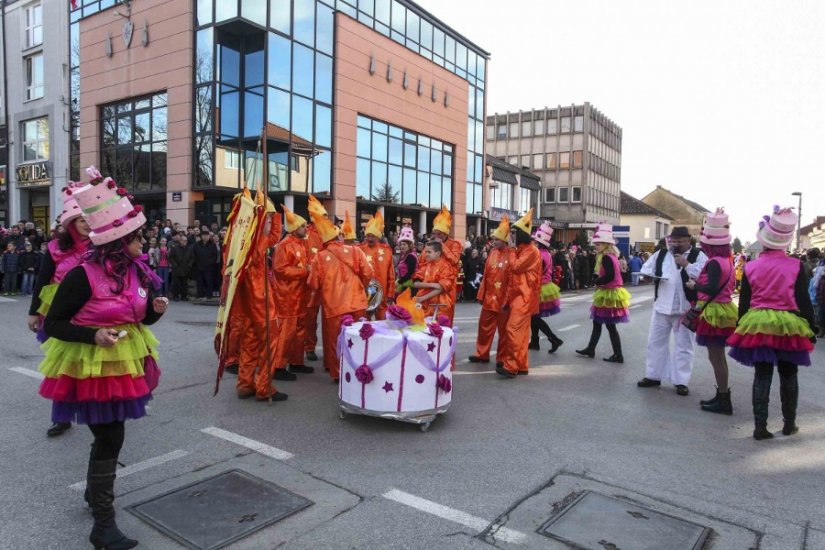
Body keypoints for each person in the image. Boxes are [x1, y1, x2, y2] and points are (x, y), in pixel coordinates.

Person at [38, 175, 167, 549]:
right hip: (92, 368)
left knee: (109, 437)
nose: (144, 243)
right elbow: (55, 323)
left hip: (124, 363)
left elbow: (138, 317)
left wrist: (154, 312)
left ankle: (95, 498)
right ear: (117, 241)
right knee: (111, 437)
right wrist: (92, 334)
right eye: (138, 238)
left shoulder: (134, 270)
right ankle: (103, 525)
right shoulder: (81, 274)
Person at [728, 206, 817, 440]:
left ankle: (760, 427)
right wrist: (811, 326)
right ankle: (789, 424)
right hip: (788, 324)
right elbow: (802, 299)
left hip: (758, 323)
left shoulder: (750, 266)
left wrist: (741, 326)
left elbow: (744, 303)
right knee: (789, 373)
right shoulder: (796, 265)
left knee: (762, 373)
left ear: (763, 241)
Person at [28, 182, 93, 437]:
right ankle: (62, 417)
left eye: (90, 218)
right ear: (71, 223)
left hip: (92, 314)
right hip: (61, 316)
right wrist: (34, 311)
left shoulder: (102, 245)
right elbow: (42, 281)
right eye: (80, 220)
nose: (87, 223)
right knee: (64, 368)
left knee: (97, 366)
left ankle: (105, 411)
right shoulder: (56, 248)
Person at [637, 226, 707, 395]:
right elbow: (646, 269)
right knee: (655, 343)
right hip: (662, 306)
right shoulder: (661, 254)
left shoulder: (699, 256)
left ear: (688, 240)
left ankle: (681, 381)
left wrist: (686, 264)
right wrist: (646, 277)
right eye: (673, 241)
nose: (675, 244)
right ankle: (653, 375)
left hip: (685, 309)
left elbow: (704, 276)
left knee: (684, 346)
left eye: (679, 241)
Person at [308, 209, 373, 382]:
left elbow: (313, 283)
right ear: (339, 237)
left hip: (334, 305)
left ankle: (338, 374)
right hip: (358, 302)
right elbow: (368, 273)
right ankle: (360, 369)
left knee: (336, 340)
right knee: (359, 338)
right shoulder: (356, 251)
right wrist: (360, 287)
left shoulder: (319, 257)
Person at [234, 197, 289, 399]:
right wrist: (273, 215)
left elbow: (273, 234)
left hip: (246, 305)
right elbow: (274, 235)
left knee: (250, 343)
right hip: (261, 302)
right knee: (269, 343)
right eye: (266, 220)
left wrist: (272, 214)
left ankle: (244, 384)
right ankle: (264, 388)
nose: (269, 223)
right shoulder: (257, 241)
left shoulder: (241, 243)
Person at [686, 209, 737, 415]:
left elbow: (712, 288)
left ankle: (724, 399)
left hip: (714, 312)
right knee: (718, 357)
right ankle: (722, 395)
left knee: (716, 358)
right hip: (722, 310)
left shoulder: (715, 262)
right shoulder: (727, 261)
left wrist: (694, 286)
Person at [576, 224, 631, 363]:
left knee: (610, 326)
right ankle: (591, 348)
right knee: (598, 323)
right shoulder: (611, 256)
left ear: (606, 244)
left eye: (599, 244)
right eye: (596, 244)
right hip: (609, 291)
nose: (596, 247)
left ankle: (618, 355)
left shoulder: (607, 257)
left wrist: (598, 282)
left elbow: (611, 276)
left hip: (609, 292)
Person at [496, 210, 541, 378]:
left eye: (514, 232)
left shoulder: (530, 251)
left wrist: (512, 250)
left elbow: (515, 267)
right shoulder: (523, 249)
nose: (511, 235)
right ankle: (521, 365)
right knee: (520, 333)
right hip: (518, 295)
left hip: (524, 296)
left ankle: (511, 366)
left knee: (512, 329)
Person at [271, 205, 314, 378]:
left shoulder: (302, 244)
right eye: (303, 226)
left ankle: (296, 362)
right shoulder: (284, 245)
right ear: (295, 228)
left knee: (300, 331)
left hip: (301, 295)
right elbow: (280, 270)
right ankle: (279, 366)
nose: (306, 228)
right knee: (287, 332)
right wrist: (305, 272)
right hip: (287, 296)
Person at [469, 217, 511, 364]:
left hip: (503, 301)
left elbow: (512, 281)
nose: (494, 241)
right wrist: (481, 294)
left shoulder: (512, 254)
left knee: (503, 331)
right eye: (494, 239)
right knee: (484, 328)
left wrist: (508, 300)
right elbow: (486, 275)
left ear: (504, 240)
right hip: (489, 298)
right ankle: (482, 354)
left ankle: (502, 358)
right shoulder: (492, 253)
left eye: (497, 239)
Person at [415, 205, 463, 325]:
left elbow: (455, 261)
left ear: (445, 233)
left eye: (439, 234)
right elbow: (422, 262)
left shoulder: (455, 244)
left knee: (445, 320)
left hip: (447, 286)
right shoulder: (430, 245)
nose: (436, 236)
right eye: (435, 233)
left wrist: (442, 246)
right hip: (428, 286)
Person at [530, 221, 563, 353]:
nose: (533, 243)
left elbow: (537, 272)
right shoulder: (547, 254)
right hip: (545, 286)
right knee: (534, 316)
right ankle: (535, 341)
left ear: (538, 243)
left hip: (540, 287)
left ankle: (554, 339)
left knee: (534, 317)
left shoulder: (539, 255)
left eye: (534, 241)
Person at [302, 195, 327, 362]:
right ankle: (309, 347)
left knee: (329, 319)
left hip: (328, 283)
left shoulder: (330, 233)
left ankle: (331, 352)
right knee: (309, 318)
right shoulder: (305, 234)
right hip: (309, 283)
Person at [359, 210, 395, 319]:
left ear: (378, 237)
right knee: (365, 325)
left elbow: (391, 275)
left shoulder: (386, 252)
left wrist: (390, 293)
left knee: (383, 325)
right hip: (364, 294)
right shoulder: (359, 250)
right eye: (368, 235)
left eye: (373, 236)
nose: (370, 238)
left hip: (382, 296)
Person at [413, 240, 455, 320]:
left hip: (440, 306)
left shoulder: (446, 267)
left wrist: (423, 298)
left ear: (438, 253)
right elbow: (415, 283)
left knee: (438, 329)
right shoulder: (426, 265)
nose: (426, 254)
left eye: (429, 252)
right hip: (423, 304)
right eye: (426, 252)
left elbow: (442, 288)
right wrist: (432, 285)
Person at [193, 230, 218, 299]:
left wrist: (210, 262)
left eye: (207, 236)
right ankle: (200, 295)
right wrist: (197, 262)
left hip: (209, 267)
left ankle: (209, 295)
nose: (205, 237)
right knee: (199, 281)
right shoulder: (197, 244)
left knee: (209, 281)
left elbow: (215, 255)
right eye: (203, 236)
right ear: (201, 236)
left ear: (209, 237)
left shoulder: (212, 245)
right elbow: (194, 254)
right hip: (199, 266)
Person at [394, 224, 418, 295]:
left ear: (410, 245)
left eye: (404, 244)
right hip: (404, 283)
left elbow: (410, 272)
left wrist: (399, 281)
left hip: (409, 284)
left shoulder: (410, 256)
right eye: (401, 244)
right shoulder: (405, 255)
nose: (402, 246)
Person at [168, 233, 193, 301]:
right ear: (180, 241)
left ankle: (184, 296)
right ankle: (175, 296)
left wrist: (189, 265)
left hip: (185, 268)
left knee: (184, 284)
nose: (185, 242)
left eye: (186, 240)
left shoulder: (189, 248)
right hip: (177, 269)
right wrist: (175, 265)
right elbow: (170, 258)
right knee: (176, 284)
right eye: (183, 240)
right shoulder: (175, 248)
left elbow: (192, 258)